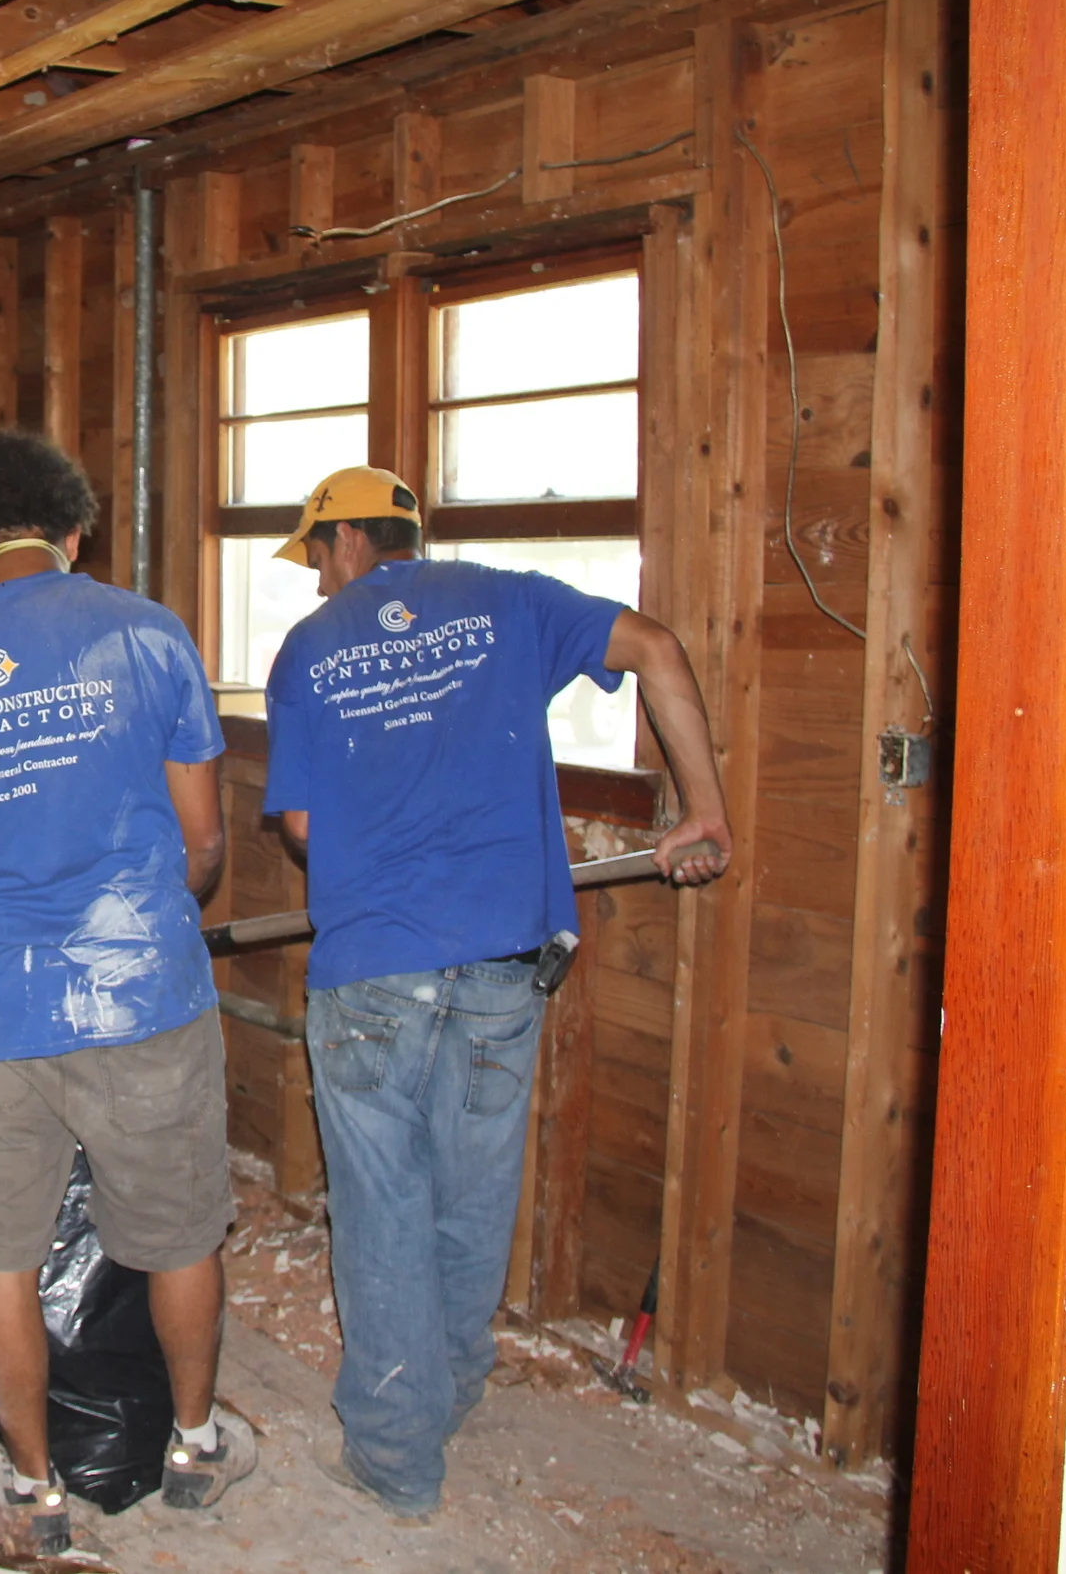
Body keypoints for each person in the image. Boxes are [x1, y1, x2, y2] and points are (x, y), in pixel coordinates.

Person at [261, 465, 732, 1520]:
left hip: (371, 972)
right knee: (470, 1197)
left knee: (381, 1211)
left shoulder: (310, 649)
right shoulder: (510, 600)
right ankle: (451, 1388)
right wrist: (702, 810)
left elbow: (298, 829)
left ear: (346, 544)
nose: (315, 582)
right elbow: (655, 646)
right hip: (497, 966)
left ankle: (394, 1454)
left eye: (315, 559)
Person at [0, 431, 256, 1550]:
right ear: (73, 534)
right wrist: (144, 914)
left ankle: (34, 1491)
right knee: (177, 1238)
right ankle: (195, 1443)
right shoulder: (146, 632)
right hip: (145, 1001)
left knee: (2, 1259)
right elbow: (203, 844)